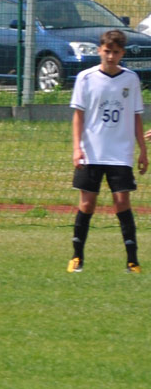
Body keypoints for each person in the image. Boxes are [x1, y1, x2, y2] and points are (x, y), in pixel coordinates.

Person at [70, 30, 146, 274]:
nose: (111, 56)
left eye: (116, 52)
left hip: (120, 153)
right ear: (99, 50)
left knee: (122, 202)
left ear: (122, 53)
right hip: (92, 152)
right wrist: (76, 148)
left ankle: (132, 261)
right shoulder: (85, 78)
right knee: (87, 204)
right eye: (107, 51)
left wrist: (143, 151)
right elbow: (78, 116)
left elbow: (136, 117)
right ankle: (77, 258)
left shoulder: (130, 80)